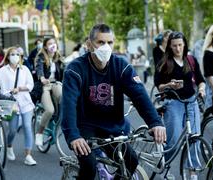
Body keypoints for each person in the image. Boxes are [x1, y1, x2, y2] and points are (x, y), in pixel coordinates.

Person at [61, 24, 166, 180]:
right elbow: (68, 105)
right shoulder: (75, 69)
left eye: (110, 43)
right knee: (89, 166)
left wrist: (155, 122)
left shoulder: (121, 66)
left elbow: (140, 96)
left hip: (113, 127)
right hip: (86, 127)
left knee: (131, 162)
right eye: (101, 42)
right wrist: (73, 136)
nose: (106, 47)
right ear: (89, 44)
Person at [154, 31, 206, 180]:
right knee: (173, 140)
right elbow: (159, 86)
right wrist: (169, 85)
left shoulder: (190, 60)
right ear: (170, 46)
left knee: (194, 137)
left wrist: (201, 89)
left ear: (184, 44)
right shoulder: (165, 63)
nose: (178, 49)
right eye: (174, 46)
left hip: (191, 101)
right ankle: (164, 166)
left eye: (180, 45)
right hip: (173, 102)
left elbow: (201, 80)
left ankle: (193, 172)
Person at [0, 47, 37, 165]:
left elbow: (31, 85)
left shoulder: (25, 69)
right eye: (12, 54)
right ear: (8, 56)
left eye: (17, 54)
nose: (15, 56)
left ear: (20, 57)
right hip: (11, 104)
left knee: (27, 127)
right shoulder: (3, 70)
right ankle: (9, 146)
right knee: (12, 130)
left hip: (25, 102)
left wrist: (19, 88)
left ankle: (28, 155)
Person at [34, 37, 64, 146]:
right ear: (45, 46)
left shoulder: (58, 58)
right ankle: (40, 133)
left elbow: (66, 70)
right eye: (50, 43)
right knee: (49, 110)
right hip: (45, 85)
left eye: (54, 43)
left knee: (62, 95)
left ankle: (59, 119)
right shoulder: (41, 57)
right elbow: (39, 69)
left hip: (56, 84)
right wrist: (42, 78)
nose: (52, 45)